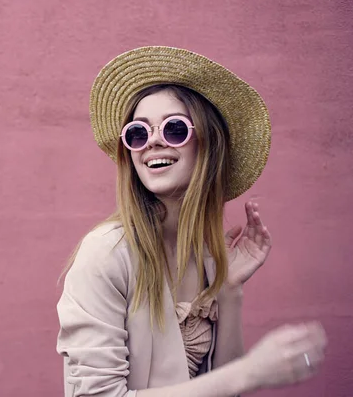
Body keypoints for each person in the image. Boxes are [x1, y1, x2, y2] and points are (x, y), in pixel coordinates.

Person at [55, 46, 327, 397]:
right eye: (138, 133)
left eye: (174, 129)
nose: (152, 141)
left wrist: (228, 290)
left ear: (208, 145)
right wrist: (252, 371)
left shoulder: (207, 258)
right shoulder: (107, 253)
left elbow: (223, 387)